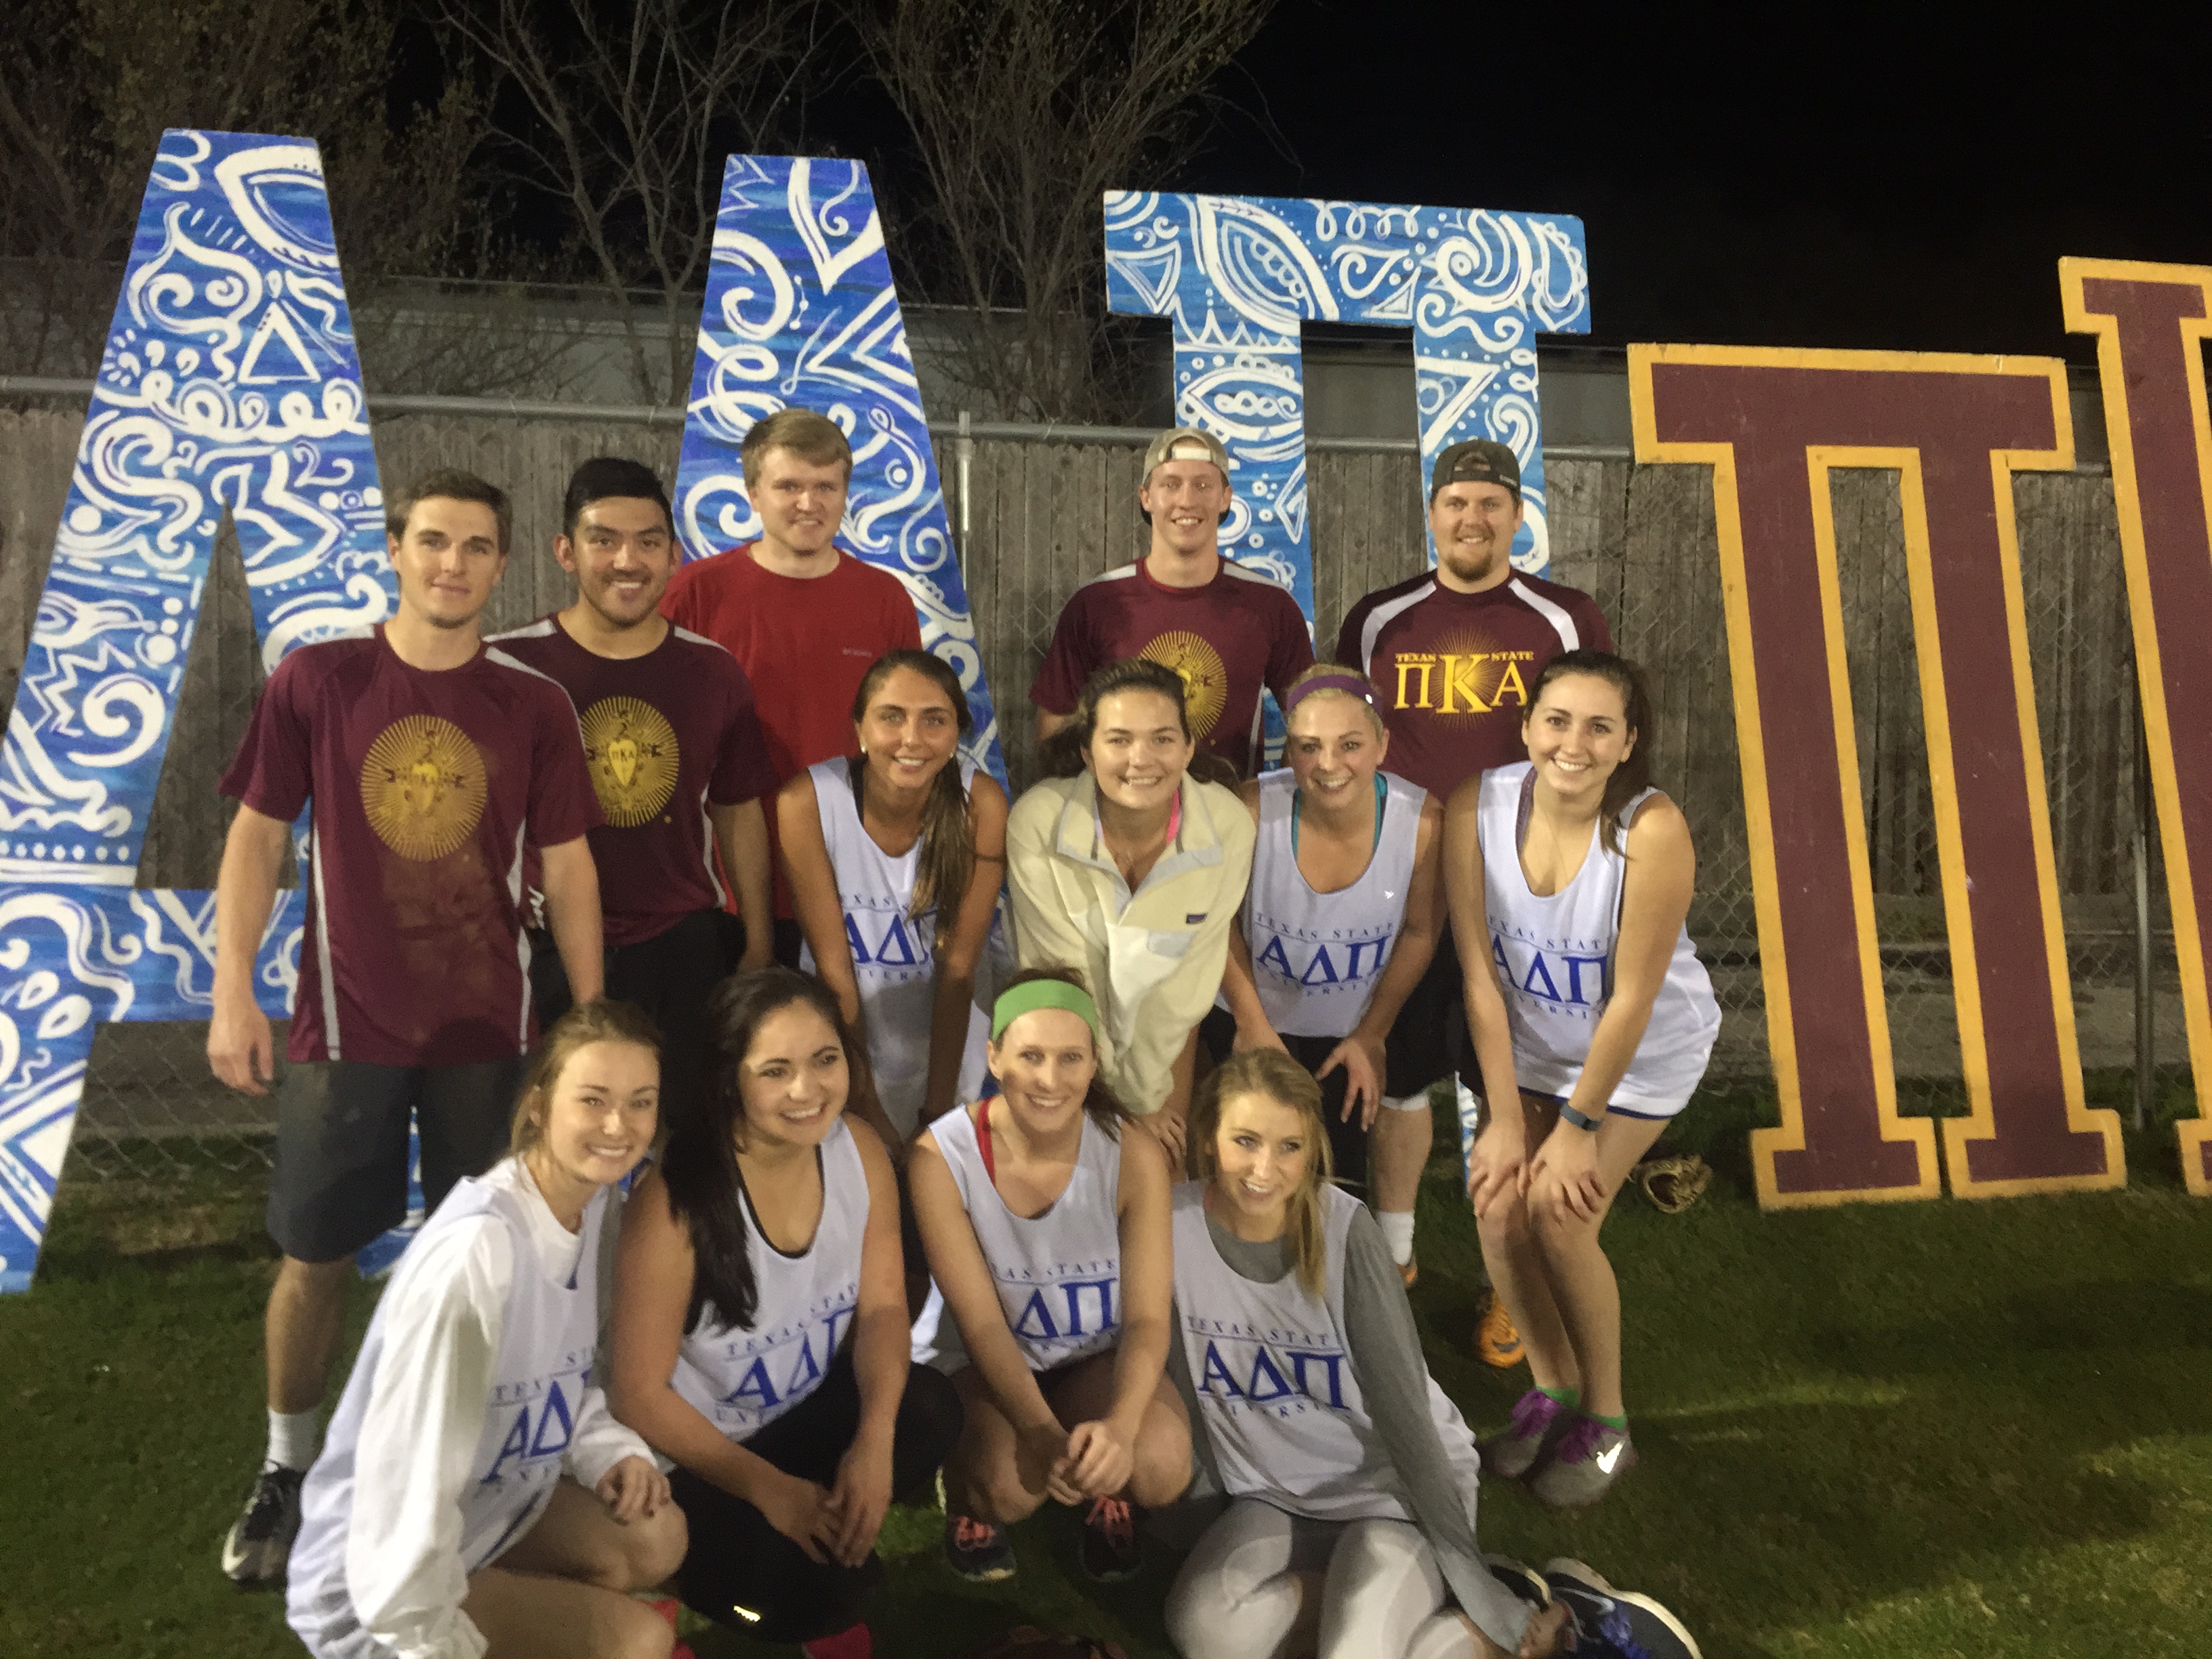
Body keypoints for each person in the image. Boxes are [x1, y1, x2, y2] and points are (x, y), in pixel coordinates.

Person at [210, 470, 607, 1587]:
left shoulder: (533, 704)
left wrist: (588, 1020)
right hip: (347, 1029)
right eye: (433, 541)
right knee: (315, 1256)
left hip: (490, 1030)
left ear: (502, 564)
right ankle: (288, 1466)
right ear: (395, 550)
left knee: (486, 1264)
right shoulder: (320, 679)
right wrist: (232, 989)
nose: (452, 564)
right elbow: (256, 835)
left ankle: (462, 1463)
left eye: (476, 547)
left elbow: (569, 865)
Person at [1161, 1049, 1696, 1659]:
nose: (1264, 1168)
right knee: (1204, 1629)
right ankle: (1426, 1611)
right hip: (1273, 1494)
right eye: (1245, 1141)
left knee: (1353, 1653)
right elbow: (1177, 1376)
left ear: (1312, 1151)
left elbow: (1406, 1418)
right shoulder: (1175, 1225)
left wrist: (1470, 1577)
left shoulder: (1343, 1232)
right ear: (1209, 1136)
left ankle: (1542, 1611)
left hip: (1390, 1493)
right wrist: (1195, 1513)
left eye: (1289, 1147)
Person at [285, 1000, 687, 1659]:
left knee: (655, 1537)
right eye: (593, 1100)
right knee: (642, 1642)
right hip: (371, 1587)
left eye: (640, 1102)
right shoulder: (478, 1254)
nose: (619, 1125)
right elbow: (407, 1477)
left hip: (480, 1519)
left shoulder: (594, 1207)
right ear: (539, 1106)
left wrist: (606, 1448)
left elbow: (557, 1374)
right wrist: (432, 1641)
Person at [1334, 439, 1612, 1353]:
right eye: (1456, 502)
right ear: (1432, 513)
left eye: (1491, 504)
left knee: (1517, 1090)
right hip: (1407, 884)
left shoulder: (1564, 618)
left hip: (1522, 890)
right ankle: (1395, 1250)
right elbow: (1347, 736)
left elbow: (1595, 741)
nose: (1472, 519)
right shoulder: (1379, 618)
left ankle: (1513, 1277)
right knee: (1400, 1075)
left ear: (1518, 516)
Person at [608, 968, 961, 1658]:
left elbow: (885, 1308)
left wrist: (872, 1444)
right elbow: (637, 1396)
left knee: (930, 1410)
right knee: (815, 1599)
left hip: (795, 1415)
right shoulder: (675, 1203)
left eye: (825, 1060)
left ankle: (813, 1531)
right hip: (695, 1456)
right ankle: (663, 1578)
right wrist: (771, 1492)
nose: (807, 1090)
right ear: (729, 1081)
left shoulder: (859, 1150)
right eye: (776, 1071)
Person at [1451, 651, 1721, 1510]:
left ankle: (1607, 1423)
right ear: (1527, 726)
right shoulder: (1476, 805)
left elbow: (1632, 997)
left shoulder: (1651, 829)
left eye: (1600, 727)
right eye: (1558, 721)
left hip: (1639, 1057)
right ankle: (1551, 1389)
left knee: (1560, 1216)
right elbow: (1479, 977)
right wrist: (1503, 1116)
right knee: (1497, 1205)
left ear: (1629, 742)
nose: (1575, 743)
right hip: (1530, 1053)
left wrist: (1575, 1127)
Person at [491, 456, 777, 1136]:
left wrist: (759, 938)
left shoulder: (713, 672)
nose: (628, 560)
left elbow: (737, 808)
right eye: (604, 540)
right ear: (566, 551)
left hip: (680, 951)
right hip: (544, 953)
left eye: (648, 542)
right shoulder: (509, 669)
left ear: (674, 556)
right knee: (543, 1145)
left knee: (685, 1146)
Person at [908, 969, 1189, 1585]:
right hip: (984, 1365)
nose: (1049, 1079)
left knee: (1162, 1464)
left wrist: (1119, 1430)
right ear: (994, 1057)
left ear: (1093, 1065)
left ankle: (1101, 1479)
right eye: (1030, 1056)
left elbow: (1147, 1318)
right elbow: (982, 1325)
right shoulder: (941, 1157)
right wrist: (1038, 1432)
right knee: (1008, 1488)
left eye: (1070, 1058)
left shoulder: (1132, 1155)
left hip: (1090, 1359)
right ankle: (967, 1491)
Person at [659, 407, 926, 964]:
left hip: (854, 882)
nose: (809, 503)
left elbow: (911, 741)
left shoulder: (885, 600)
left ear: (846, 494)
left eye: (826, 487)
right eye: (789, 487)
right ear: (753, 494)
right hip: (724, 885)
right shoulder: (695, 594)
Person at [1213, 666, 1445, 1227]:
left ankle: (1377, 1254)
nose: (1328, 763)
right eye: (1309, 746)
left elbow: (1420, 932)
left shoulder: (1422, 823)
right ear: (1289, 751)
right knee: (1240, 1174)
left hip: (1349, 1030)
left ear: (1382, 745)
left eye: (1350, 745)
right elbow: (1216, 923)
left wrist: (1372, 1034)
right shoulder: (1251, 811)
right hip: (1249, 1016)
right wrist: (1252, 1025)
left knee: (1332, 1188)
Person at [1007, 659, 1256, 1155]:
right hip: (1061, 1036)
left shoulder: (1228, 826)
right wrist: (1119, 1103)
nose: (1141, 759)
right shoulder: (1037, 821)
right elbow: (1064, 977)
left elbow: (1182, 990)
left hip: (1159, 1042)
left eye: (1162, 739)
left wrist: (1144, 1100)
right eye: (1119, 740)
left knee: (1158, 1165)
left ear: (1188, 748)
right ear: (1088, 750)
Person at [779, 649, 1008, 1148]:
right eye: (891, 717)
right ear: (859, 728)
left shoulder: (981, 804)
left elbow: (959, 972)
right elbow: (834, 971)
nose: (912, 739)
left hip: (947, 1058)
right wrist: (864, 1101)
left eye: (934, 720)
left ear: (956, 733)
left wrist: (937, 1111)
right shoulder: (806, 801)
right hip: (843, 1050)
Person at [1031, 426, 1313, 779]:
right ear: (1146, 496)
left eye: (1203, 485)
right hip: (1123, 805)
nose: (1187, 500)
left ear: (1225, 498)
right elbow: (1056, 725)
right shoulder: (1097, 603)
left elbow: (1313, 721)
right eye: (1171, 484)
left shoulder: (1270, 605)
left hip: (1228, 806)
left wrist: (1275, 800)